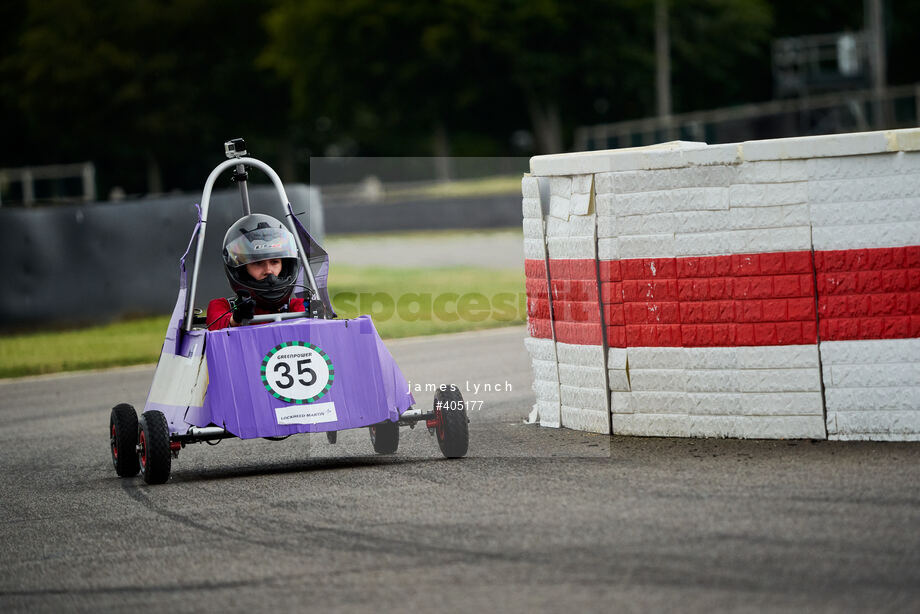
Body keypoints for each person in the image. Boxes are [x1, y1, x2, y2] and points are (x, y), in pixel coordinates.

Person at [207, 213, 306, 330]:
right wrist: (237, 318)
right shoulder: (221, 306)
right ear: (242, 269)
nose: (268, 271)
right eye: (258, 263)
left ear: (285, 267)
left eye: (274, 262)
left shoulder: (296, 306)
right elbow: (217, 325)